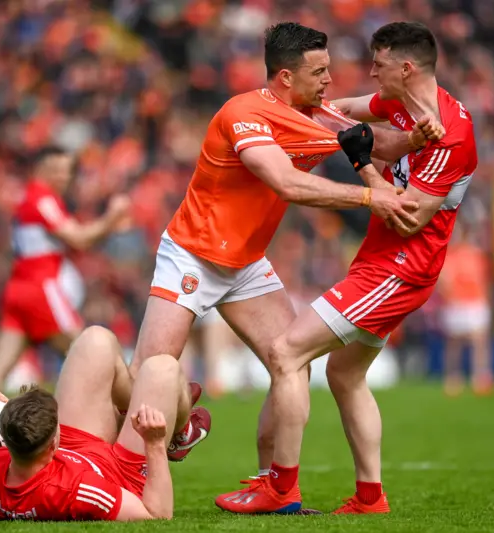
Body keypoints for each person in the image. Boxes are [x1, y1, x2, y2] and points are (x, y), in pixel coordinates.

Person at [129, 21, 442, 464]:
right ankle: (157, 431)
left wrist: (414, 138)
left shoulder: (320, 114)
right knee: (145, 375)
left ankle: (268, 483)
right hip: (192, 256)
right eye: (319, 73)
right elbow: (286, 183)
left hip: (247, 264)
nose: (329, 81)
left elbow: (377, 145)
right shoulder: (243, 114)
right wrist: (371, 196)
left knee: (292, 363)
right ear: (285, 77)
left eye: (328, 70)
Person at [215, 21, 477, 515]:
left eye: (377, 65)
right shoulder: (404, 105)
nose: (369, 73)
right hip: (381, 261)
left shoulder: (454, 135)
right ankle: (369, 499)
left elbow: (408, 219)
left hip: (401, 266)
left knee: (287, 352)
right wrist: (292, 109)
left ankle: (280, 489)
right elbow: (344, 112)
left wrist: (364, 164)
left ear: (405, 67)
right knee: (344, 374)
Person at [0, 326, 208, 521]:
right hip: (122, 474)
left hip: (75, 449)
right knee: (162, 369)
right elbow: (157, 515)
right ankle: (179, 432)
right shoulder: (78, 490)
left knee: (94, 339)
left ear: (5, 440)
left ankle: (125, 413)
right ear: (53, 443)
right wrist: (154, 444)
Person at [0, 147, 130, 388]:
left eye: (67, 171)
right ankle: (124, 411)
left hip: (17, 289)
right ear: (42, 169)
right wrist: (112, 217)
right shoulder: (43, 199)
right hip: (39, 288)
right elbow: (79, 239)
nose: (65, 177)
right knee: (90, 351)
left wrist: (106, 227)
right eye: (58, 170)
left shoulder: (28, 197)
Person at [438, 222, 494, 396]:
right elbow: (441, 281)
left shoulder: (476, 255)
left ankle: (481, 377)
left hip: (475, 302)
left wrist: (487, 301)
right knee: (454, 343)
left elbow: (485, 281)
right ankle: (453, 378)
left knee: (480, 342)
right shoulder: (448, 255)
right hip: (455, 303)